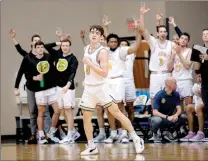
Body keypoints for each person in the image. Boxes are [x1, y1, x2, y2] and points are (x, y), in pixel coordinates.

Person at [79, 25, 144, 155]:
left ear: (101, 37)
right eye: (92, 32)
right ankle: (91, 146)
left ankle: (136, 138)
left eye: (97, 33)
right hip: (88, 89)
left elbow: (104, 72)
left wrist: (90, 64)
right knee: (86, 117)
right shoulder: (87, 48)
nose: (93, 34)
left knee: (117, 113)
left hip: (101, 87)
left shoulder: (103, 51)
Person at [10, 29, 52, 143]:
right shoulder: (27, 57)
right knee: (33, 111)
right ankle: (33, 134)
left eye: (39, 41)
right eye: (35, 41)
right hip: (31, 88)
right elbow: (21, 72)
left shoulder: (46, 56)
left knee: (45, 111)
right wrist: (16, 87)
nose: (37, 43)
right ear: (32, 43)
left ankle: (47, 134)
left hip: (43, 88)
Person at [44, 36, 81, 144]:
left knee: (68, 111)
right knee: (61, 110)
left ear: (70, 47)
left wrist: (67, 86)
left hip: (68, 88)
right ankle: (73, 132)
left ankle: (70, 135)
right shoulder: (58, 55)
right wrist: (59, 42)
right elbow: (46, 46)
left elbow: (73, 73)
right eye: (63, 45)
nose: (64, 47)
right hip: (58, 88)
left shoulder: (73, 59)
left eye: (66, 46)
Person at [149, 77, 185, 142]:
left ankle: (170, 132)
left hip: (170, 118)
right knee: (157, 120)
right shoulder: (159, 95)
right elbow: (154, 112)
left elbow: (179, 108)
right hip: (160, 118)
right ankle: (155, 134)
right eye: (175, 83)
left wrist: (176, 115)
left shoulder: (176, 94)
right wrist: (167, 117)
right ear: (169, 85)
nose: (177, 85)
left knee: (183, 117)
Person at [168, 32, 193, 107]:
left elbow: (187, 65)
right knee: (176, 106)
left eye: (186, 39)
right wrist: (173, 54)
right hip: (175, 80)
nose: (183, 40)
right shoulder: (173, 51)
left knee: (188, 106)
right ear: (178, 40)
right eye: (181, 38)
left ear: (188, 42)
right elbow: (169, 68)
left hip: (186, 80)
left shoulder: (190, 51)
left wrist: (179, 54)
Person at [180, 74, 205, 142]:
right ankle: (191, 132)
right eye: (198, 77)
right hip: (198, 104)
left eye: (201, 77)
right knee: (189, 107)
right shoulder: (195, 86)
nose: (200, 79)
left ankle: (201, 133)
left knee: (199, 107)